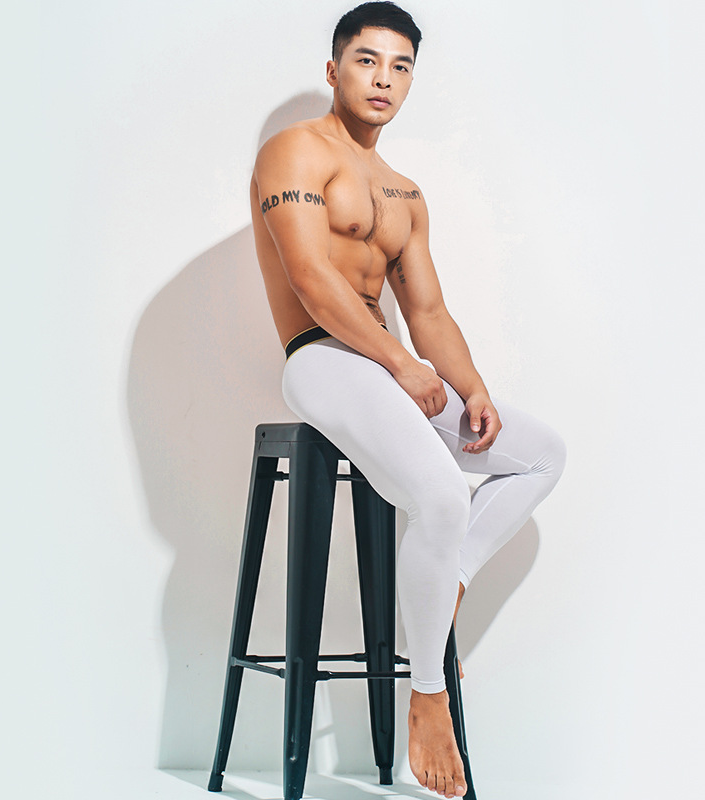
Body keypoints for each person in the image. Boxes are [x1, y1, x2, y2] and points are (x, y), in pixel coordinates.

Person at [250, 2, 565, 795]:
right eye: (367, 61)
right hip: (322, 358)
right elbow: (310, 279)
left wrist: (472, 387)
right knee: (441, 493)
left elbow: (428, 311)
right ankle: (428, 695)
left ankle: (447, 579)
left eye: (400, 67)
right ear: (334, 70)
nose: (383, 79)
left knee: (540, 455)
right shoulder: (295, 150)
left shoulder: (404, 193)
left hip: (388, 368)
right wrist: (399, 363)